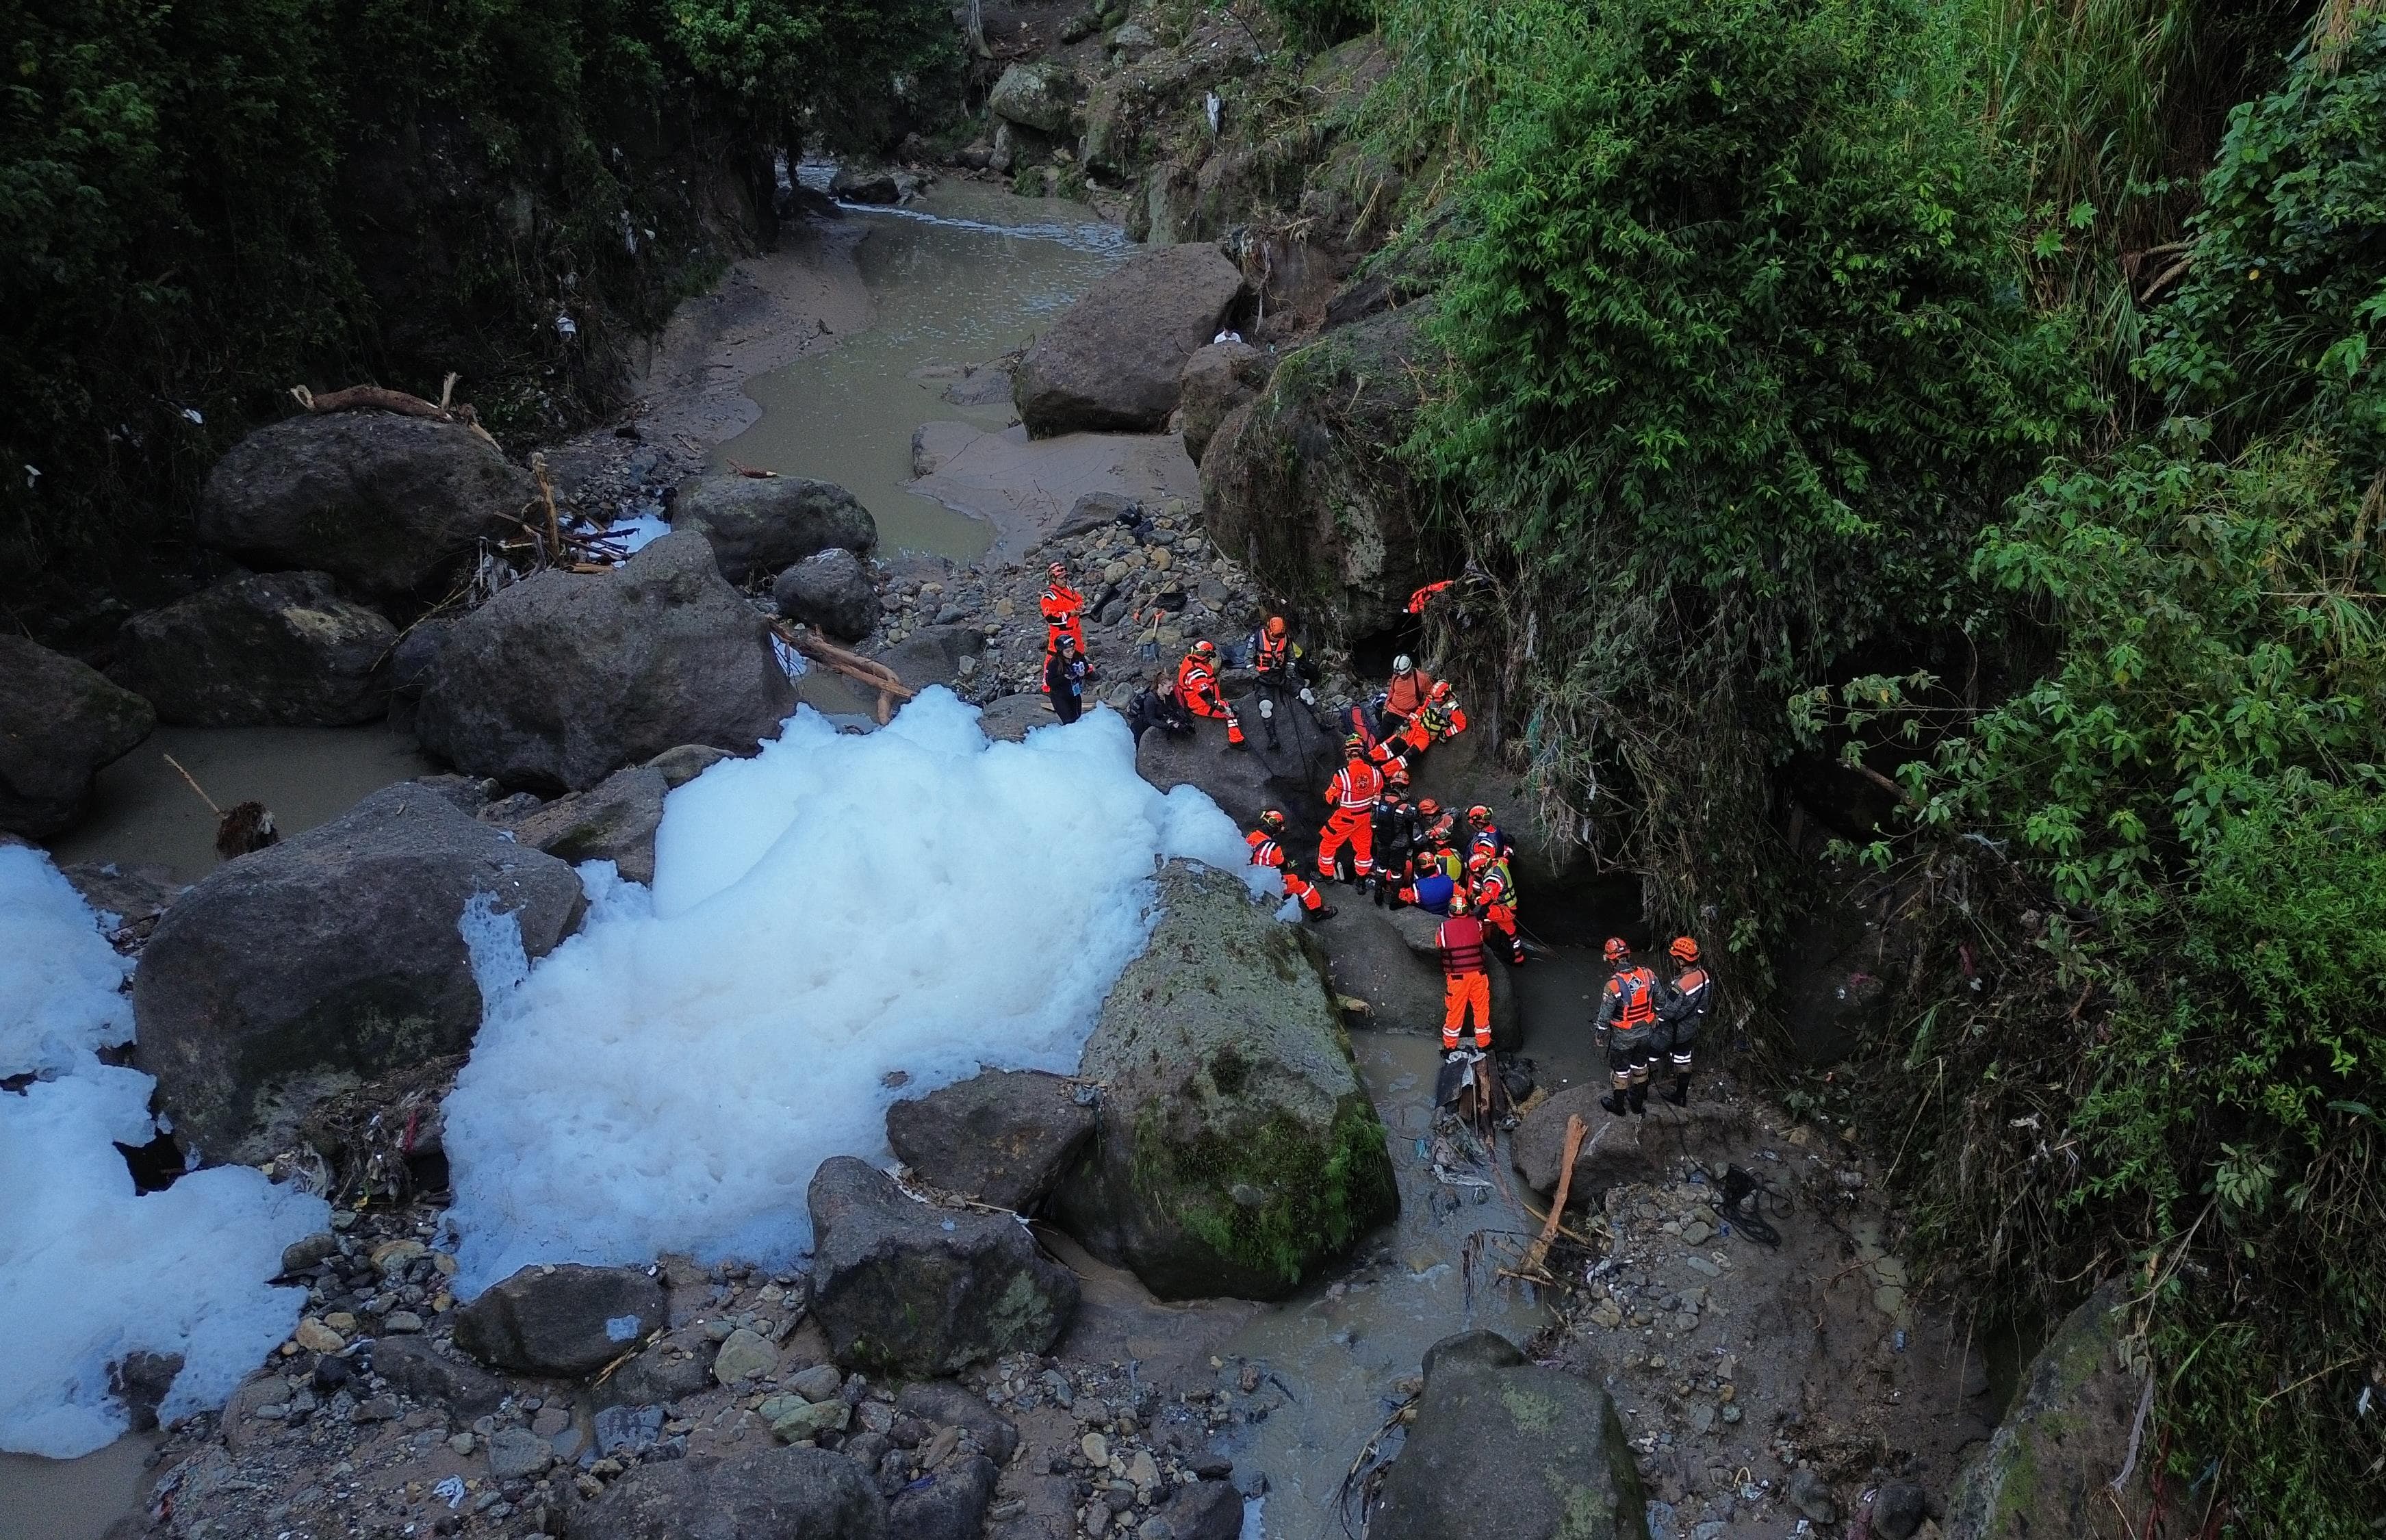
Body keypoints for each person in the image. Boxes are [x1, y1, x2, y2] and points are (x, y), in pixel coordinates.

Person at [1593, 938, 1663, 1116]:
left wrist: (1600, 1034)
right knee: (1640, 1067)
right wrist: (1656, 1018)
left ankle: (1618, 1106)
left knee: (1621, 1071)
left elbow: (1605, 1016)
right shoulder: (1649, 975)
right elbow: (1661, 1002)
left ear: (1612, 960)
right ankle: (1637, 1104)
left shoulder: (1614, 985)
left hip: (1623, 1037)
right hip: (1645, 1034)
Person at [1246, 615, 1319, 751]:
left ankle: (1320, 721)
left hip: (1282, 675)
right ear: (1268, 629)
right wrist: (1256, 676)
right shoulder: (1256, 638)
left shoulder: (1286, 639)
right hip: (1263, 678)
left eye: (1279, 636)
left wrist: (1289, 671)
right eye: (1275, 636)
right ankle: (1273, 739)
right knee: (1266, 706)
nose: (1277, 639)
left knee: (1306, 694)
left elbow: (1292, 658)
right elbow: (1248, 661)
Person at [1318, 736, 1384, 884]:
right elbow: (1378, 796)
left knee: (1328, 845)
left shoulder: (1341, 775)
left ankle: (1327, 876)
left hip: (1345, 818)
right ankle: (1361, 880)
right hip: (1366, 818)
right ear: (1362, 751)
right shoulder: (1375, 773)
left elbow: (1331, 799)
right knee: (1364, 850)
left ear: (1347, 753)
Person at [1248, 809, 1333, 921]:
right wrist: (1290, 864)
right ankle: (1318, 911)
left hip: (1251, 877)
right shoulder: (1273, 848)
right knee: (1302, 882)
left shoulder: (1251, 836)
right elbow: (1283, 866)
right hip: (1269, 883)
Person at [1656, 936, 1712, 1106]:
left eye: (1674, 957)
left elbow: (1668, 1011)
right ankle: (1681, 1096)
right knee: (1683, 1059)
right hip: (1690, 1028)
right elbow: (1703, 1006)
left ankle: (1641, 1093)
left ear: (1681, 961)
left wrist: (1656, 1018)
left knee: (1649, 1054)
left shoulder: (1679, 986)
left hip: (1672, 1030)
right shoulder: (1704, 976)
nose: (1672, 960)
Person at [1436, 894, 1492, 1053]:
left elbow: (1439, 944)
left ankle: (1449, 1047)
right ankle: (1484, 1043)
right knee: (1481, 1009)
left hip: (1457, 978)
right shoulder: (1477, 924)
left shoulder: (1443, 928)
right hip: (1479, 975)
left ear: (1451, 912)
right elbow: (1481, 939)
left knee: (1455, 1012)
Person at [1175, 640, 1246, 746]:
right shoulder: (1196, 674)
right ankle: (1236, 740)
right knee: (1231, 713)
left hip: (1201, 700)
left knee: (1230, 707)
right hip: (1200, 705)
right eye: (1209, 656)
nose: (1210, 659)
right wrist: (1224, 709)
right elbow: (1208, 700)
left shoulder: (1190, 663)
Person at [1470, 849, 1526, 966]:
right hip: (1510, 906)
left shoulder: (1492, 880)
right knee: (1512, 934)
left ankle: (1483, 945)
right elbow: (1506, 858)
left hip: (1503, 910)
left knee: (1478, 917)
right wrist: (1508, 849)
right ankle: (1518, 958)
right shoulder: (1499, 863)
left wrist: (1476, 900)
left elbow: (1486, 900)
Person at [1040, 563, 1085, 691]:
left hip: (1075, 628)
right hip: (1060, 631)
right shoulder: (1049, 596)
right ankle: (1047, 684)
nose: (1065, 580)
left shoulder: (1069, 589)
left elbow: (1078, 600)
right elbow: (1051, 617)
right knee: (1053, 655)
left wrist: (1080, 606)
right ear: (1053, 579)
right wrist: (1069, 614)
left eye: (1066, 577)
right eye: (1062, 578)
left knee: (1079, 651)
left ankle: (1080, 671)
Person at [1370, 795, 1418, 906]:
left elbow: (1373, 819)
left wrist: (1378, 832)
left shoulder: (1378, 800)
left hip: (1382, 840)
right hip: (1398, 844)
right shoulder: (1403, 807)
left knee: (1381, 868)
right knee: (1397, 873)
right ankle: (1394, 899)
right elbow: (1413, 816)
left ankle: (1378, 893)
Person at [1377, 655, 1437, 740]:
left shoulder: (1421, 679)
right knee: (1380, 737)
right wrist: (1385, 707)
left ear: (1409, 670)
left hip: (1407, 715)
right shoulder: (1397, 675)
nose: (1401, 676)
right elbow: (1391, 691)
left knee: (1399, 741)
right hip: (1392, 710)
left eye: (1403, 674)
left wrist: (1420, 714)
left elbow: (1430, 696)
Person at [1127, 675, 1194, 741]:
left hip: (1158, 719)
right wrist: (1169, 726)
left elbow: (1177, 707)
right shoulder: (1150, 700)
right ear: (1160, 686)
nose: (1172, 689)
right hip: (1141, 726)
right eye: (1169, 687)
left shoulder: (1169, 694)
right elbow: (1151, 720)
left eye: (1172, 686)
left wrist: (1185, 719)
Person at [1046, 641, 1088, 725]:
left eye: (1072, 650)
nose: (1071, 653)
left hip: (1074, 693)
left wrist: (1084, 672)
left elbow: (1085, 666)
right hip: (1060, 695)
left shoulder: (1077, 656)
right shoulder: (1054, 663)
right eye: (1067, 651)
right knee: (1068, 722)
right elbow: (1049, 682)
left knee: (1077, 718)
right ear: (1061, 651)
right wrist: (1064, 677)